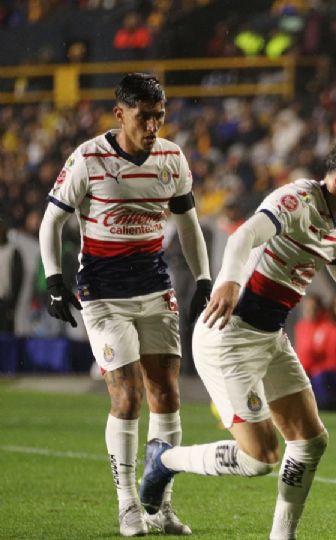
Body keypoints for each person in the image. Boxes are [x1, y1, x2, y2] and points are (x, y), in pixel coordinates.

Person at [138, 129, 336, 540]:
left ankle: (282, 537)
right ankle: (165, 460)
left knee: (310, 441)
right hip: (227, 336)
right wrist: (230, 281)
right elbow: (243, 236)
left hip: (269, 338)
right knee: (261, 457)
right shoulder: (296, 200)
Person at [39, 73, 211, 536]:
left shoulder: (172, 158)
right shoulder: (88, 158)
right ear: (120, 113)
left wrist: (203, 278)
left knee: (167, 395)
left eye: (160, 115)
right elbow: (50, 221)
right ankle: (127, 505)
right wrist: (55, 280)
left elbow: (189, 224)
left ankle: (161, 506)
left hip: (155, 289)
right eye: (144, 115)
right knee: (128, 396)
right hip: (103, 295)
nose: (153, 125)